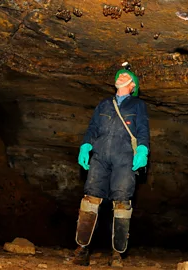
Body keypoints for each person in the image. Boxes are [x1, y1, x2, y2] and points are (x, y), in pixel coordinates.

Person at [72, 62, 150, 267]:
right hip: (100, 157)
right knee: (90, 199)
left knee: (122, 202)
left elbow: (142, 130)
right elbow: (92, 127)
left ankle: (117, 253)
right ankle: (82, 248)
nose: (121, 76)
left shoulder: (138, 105)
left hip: (124, 159)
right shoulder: (104, 104)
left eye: (126, 75)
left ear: (133, 85)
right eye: (119, 74)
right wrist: (86, 145)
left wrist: (142, 150)